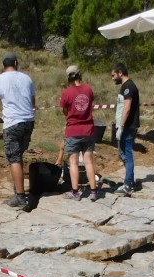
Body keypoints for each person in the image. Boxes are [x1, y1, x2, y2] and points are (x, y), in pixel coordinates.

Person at [0, 52, 36, 209]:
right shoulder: (27, 78)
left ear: (3, 65)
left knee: (14, 158)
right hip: (28, 121)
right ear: (16, 63)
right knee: (18, 155)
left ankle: (20, 197)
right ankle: (18, 187)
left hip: (12, 123)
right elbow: (33, 103)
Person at [59, 65, 100, 202]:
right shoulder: (88, 89)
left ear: (68, 77)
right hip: (88, 129)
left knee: (74, 163)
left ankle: (75, 192)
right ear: (79, 74)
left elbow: (65, 111)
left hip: (73, 130)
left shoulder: (67, 92)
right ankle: (94, 191)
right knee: (88, 162)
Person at [111, 62, 140, 196]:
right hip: (124, 126)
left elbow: (127, 107)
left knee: (127, 155)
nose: (112, 78)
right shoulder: (125, 86)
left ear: (120, 73)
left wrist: (121, 126)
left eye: (113, 75)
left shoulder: (128, 87)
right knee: (122, 154)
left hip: (128, 127)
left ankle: (128, 184)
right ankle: (129, 180)